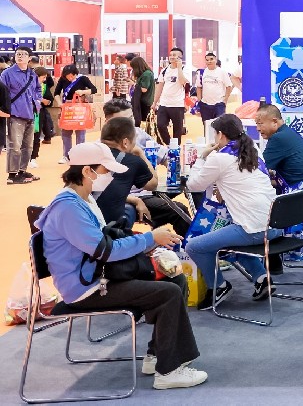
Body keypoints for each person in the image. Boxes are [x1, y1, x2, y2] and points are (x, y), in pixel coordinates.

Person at [34, 142, 206, 390]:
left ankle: (158, 354)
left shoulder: (83, 200)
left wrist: (147, 242)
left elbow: (105, 241)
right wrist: (149, 239)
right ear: (87, 171)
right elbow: (105, 251)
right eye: (106, 171)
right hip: (86, 288)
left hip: (98, 276)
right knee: (168, 293)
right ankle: (169, 372)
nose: (110, 177)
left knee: (175, 279)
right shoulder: (68, 208)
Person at [184, 114, 279, 309]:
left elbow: (193, 185)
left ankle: (218, 287)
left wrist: (202, 157)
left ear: (220, 135)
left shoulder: (219, 158)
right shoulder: (254, 149)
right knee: (229, 235)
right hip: (275, 224)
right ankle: (262, 278)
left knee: (194, 246)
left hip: (253, 229)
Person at [102, 98, 191, 235]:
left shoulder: (139, 134)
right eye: (124, 120)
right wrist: (135, 200)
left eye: (131, 118)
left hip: (147, 189)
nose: (130, 124)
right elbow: (102, 190)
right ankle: (192, 246)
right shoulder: (101, 149)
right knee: (178, 210)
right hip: (128, 196)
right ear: (108, 122)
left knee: (192, 185)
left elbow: (165, 156)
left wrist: (175, 171)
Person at [255, 102, 303, 265]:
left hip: (296, 197)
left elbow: (258, 169)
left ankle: (270, 253)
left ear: (274, 121)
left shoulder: (278, 138)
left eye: (260, 123)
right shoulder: (289, 132)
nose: (258, 128)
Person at [95, 117, 158, 226]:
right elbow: (153, 184)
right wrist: (140, 153)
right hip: (108, 228)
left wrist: (135, 200)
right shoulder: (132, 162)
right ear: (125, 142)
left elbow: (106, 193)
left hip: (80, 221)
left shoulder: (86, 156)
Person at [2, 46, 41, 184]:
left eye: (23, 54)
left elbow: (38, 89)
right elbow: (2, 92)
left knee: (28, 146)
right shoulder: (7, 73)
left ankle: (22, 171)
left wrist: (37, 103)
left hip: (30, 114)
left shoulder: (32, 74)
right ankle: (12, 175)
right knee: (14, 146)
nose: (20, 56)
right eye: (18, 54)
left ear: (29, 58)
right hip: (15, 114)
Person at [54, 64, 98, 164]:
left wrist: (83, 91)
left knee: (80, 132)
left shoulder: (83, 79)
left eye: (71, 76)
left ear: (75, 74)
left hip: (79, 108)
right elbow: (56, 93)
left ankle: (80, 155)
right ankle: (66, 156)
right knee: (66, 132)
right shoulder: (63, 79)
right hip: (67, 108)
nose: (69, 78)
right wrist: (60, 103)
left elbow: (94, 90)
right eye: (67, 76)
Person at [153, 48, 188, 145]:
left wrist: (179, 68)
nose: (172, 57)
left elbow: (183, 82)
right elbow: (159, 87)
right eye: (171, 55)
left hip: (177, 104)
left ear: (180, 57)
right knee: (160, 125)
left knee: (177, 130)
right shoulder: (164, 70)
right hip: (164, 103)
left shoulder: (184, 69)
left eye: (175, 55)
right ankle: (169, 144)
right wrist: (155, 102)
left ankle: (175, 149)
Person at [194, 52, 233, 129]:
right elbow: (198, 87)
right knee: (207, 127)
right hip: (205, 105)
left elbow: (229, 86)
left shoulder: (222, 72)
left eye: (211, 59)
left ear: (215, 60)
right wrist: (199, 101)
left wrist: (225, 100)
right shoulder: (202, 73)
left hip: (219, 104)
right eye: (207, 60)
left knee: (219, 126)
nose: (209, 61)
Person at [29, 66, 54, 169]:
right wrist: (40, 100)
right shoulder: (27, 85)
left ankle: (33, 158)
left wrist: (46, 101)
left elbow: (50, 100)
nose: (44, 80)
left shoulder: (44, 86)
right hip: (26, 113)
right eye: (43, 77)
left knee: (36, 135)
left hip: (39, 113)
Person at [130, 56, 155, 128]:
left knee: (144, 122)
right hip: (143, 101)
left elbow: (144, 89)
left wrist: (134, 84)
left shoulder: (146, 74)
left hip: (145, 102)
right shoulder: (145, 73)